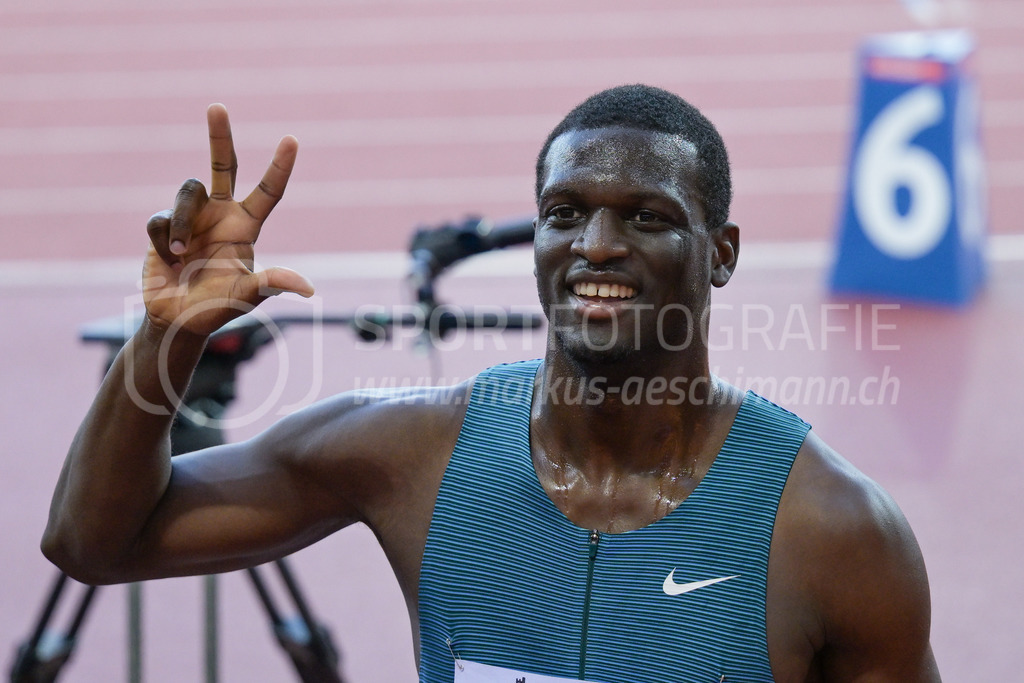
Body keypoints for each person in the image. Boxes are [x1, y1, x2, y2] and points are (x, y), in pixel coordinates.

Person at [42, 84, 940, 682]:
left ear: (724, 255)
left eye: (647, 217)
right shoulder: (409, 456)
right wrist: (170, 335)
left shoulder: (833, 531)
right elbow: (94, 541)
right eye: (564, 213)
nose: (594, 245)